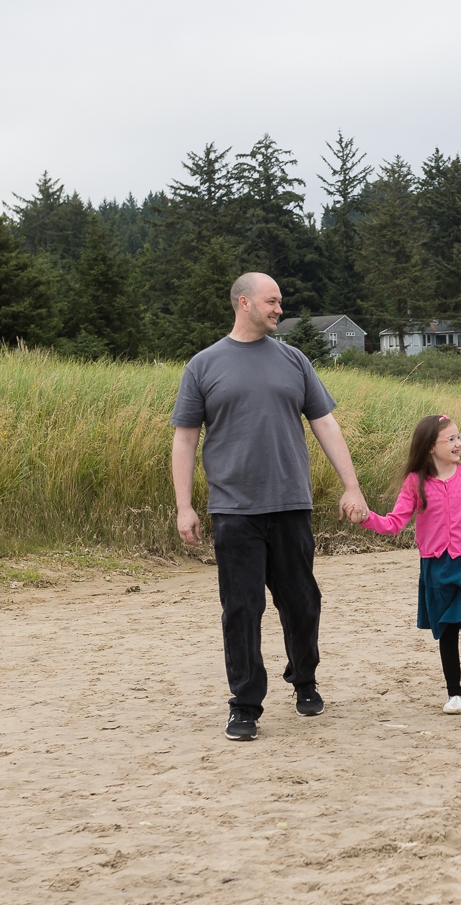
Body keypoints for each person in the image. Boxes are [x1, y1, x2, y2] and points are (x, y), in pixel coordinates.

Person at [171, 272, 368, 742]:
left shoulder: (295, 360)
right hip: (234, 510)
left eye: (280, 300)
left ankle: (304, 679)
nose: (280, 308)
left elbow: (327, 426)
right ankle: (244, 705)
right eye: (272, 301)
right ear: (245, 303)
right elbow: (184, 439)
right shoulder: (204, 365)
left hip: (290, 504)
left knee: (302, 602)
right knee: (241, 608)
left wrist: (352, 486)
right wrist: (184, 506)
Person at [358, 415, 461, 720]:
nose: (458, 444)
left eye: (458, 437)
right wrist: (365, 517)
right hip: (436, 567)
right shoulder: (416, 481)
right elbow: (394, 523)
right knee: (447, 631)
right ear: (429, 448)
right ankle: (454, 694)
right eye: (449, 439)